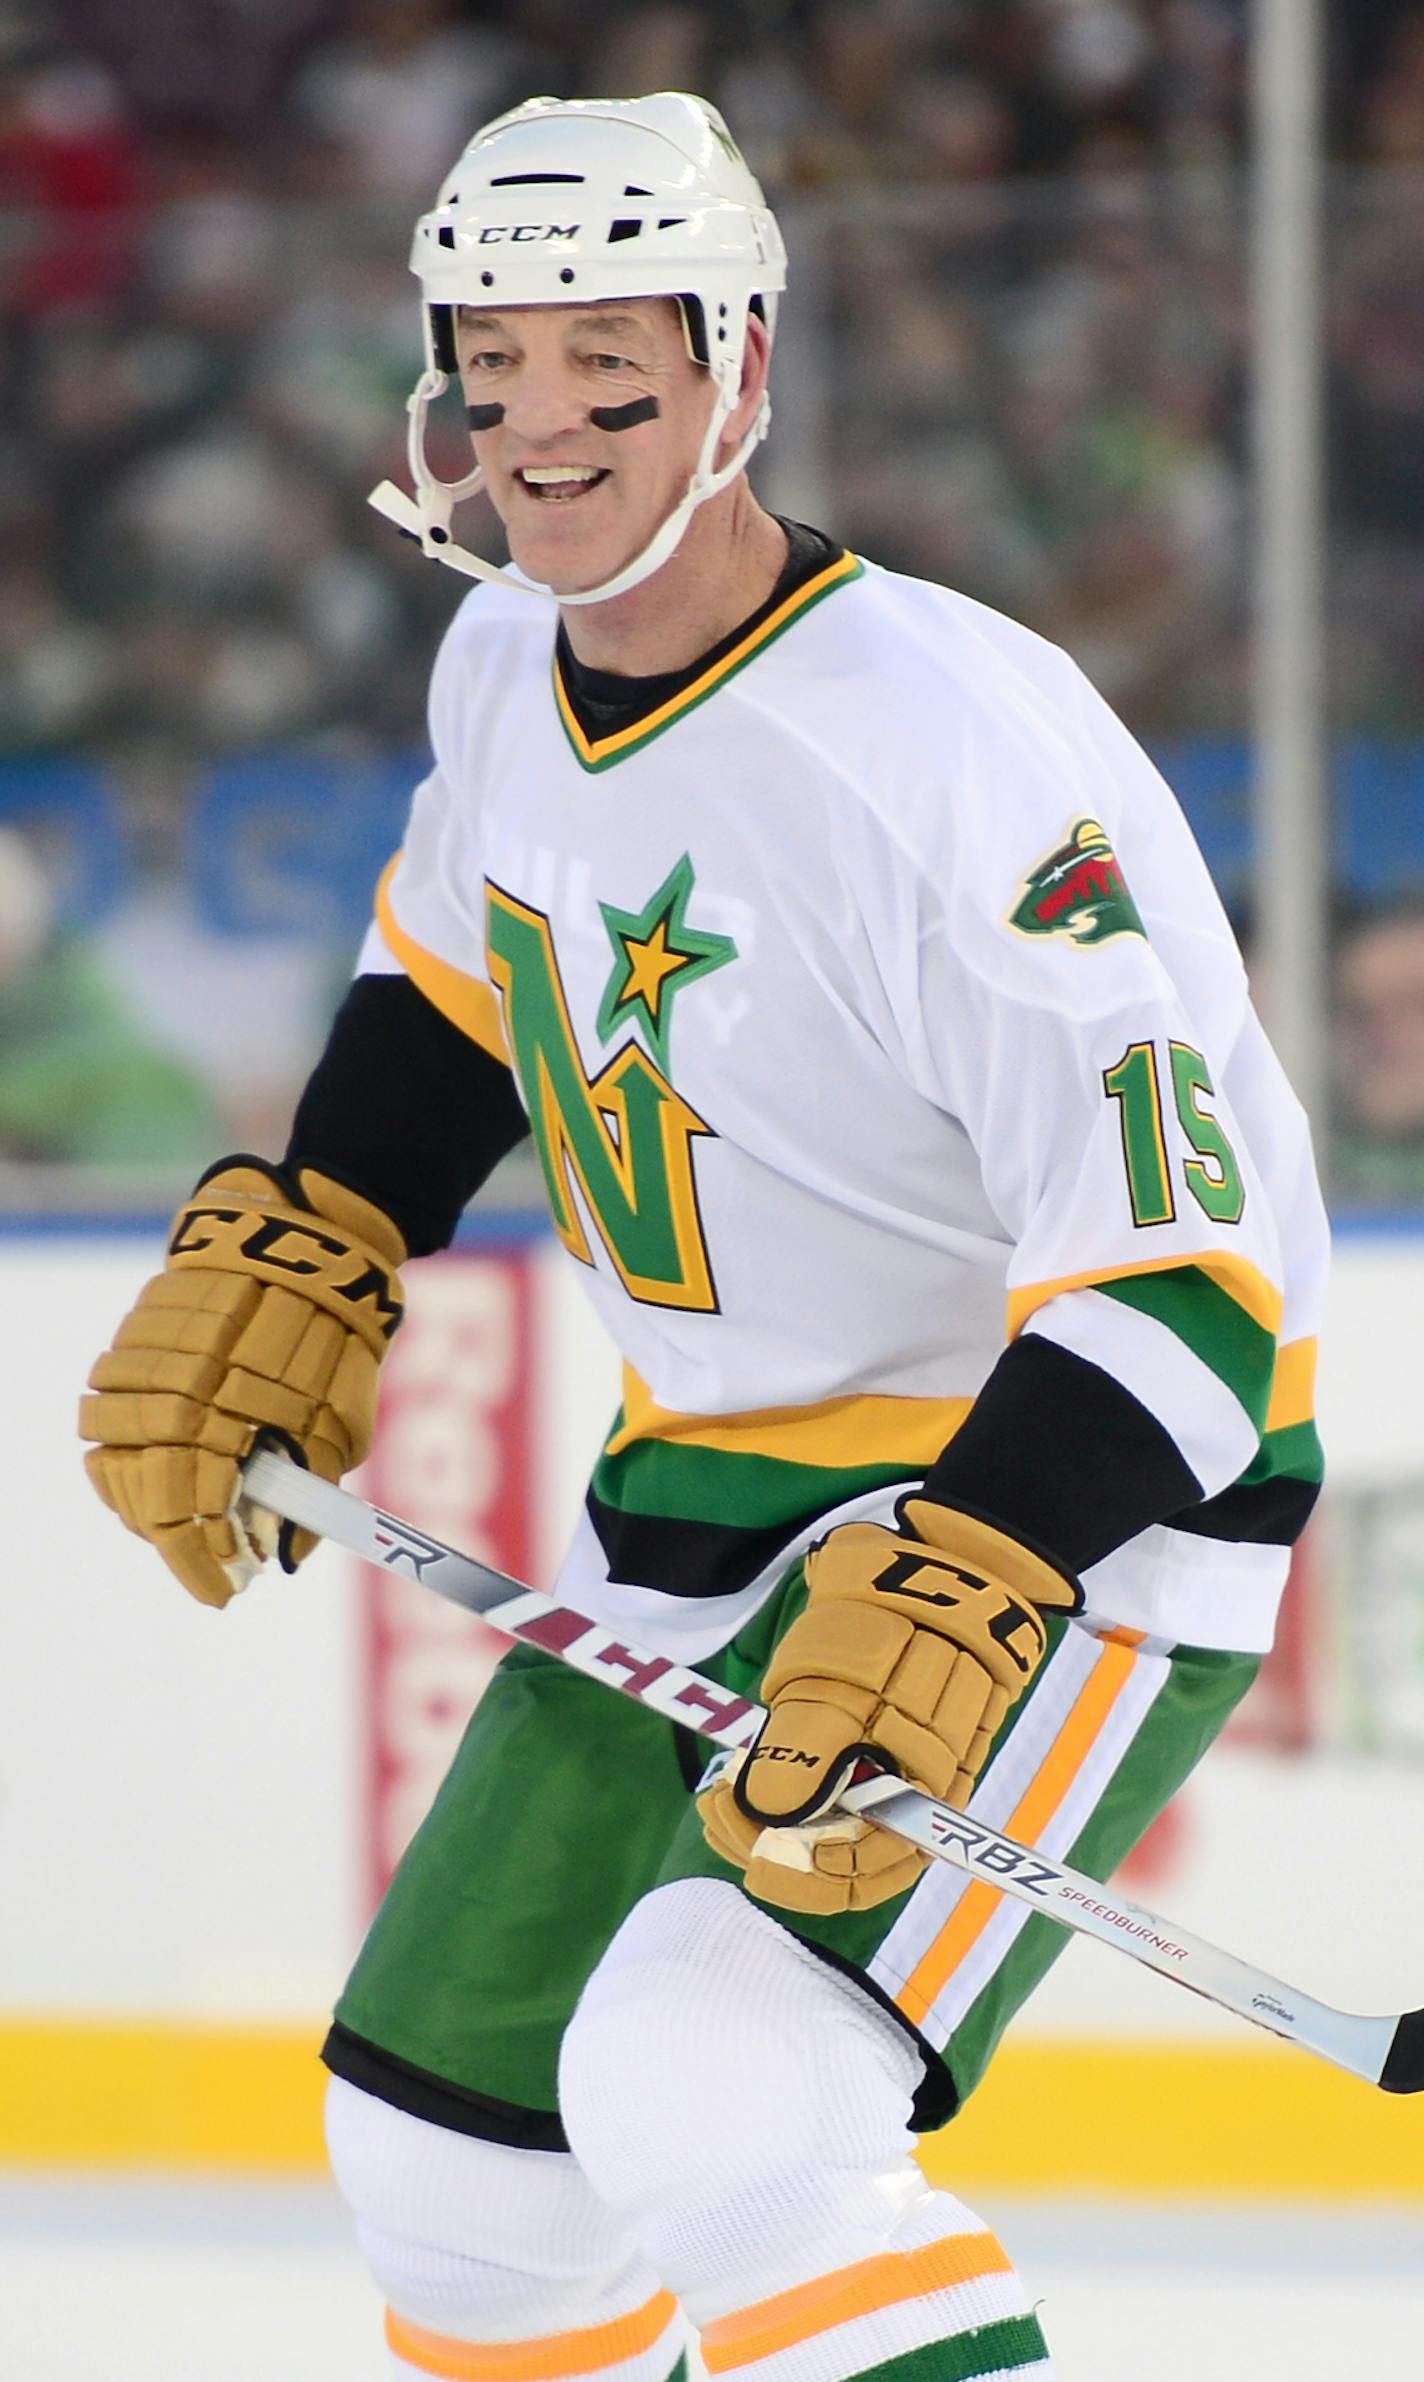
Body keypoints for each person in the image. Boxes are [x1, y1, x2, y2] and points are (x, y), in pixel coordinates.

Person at [79, 93, 1329, 2382]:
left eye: (610, 375)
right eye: (494, 372)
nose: (539, 433)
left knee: (716, 2083)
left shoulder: (950, 743)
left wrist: (978, 1567)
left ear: (739, 369)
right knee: (455, 2182)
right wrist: (324, 1233)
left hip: (1054, 1514)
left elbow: (1194, 1265)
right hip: (711, 1501)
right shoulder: (502, 666)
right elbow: (464, 980)